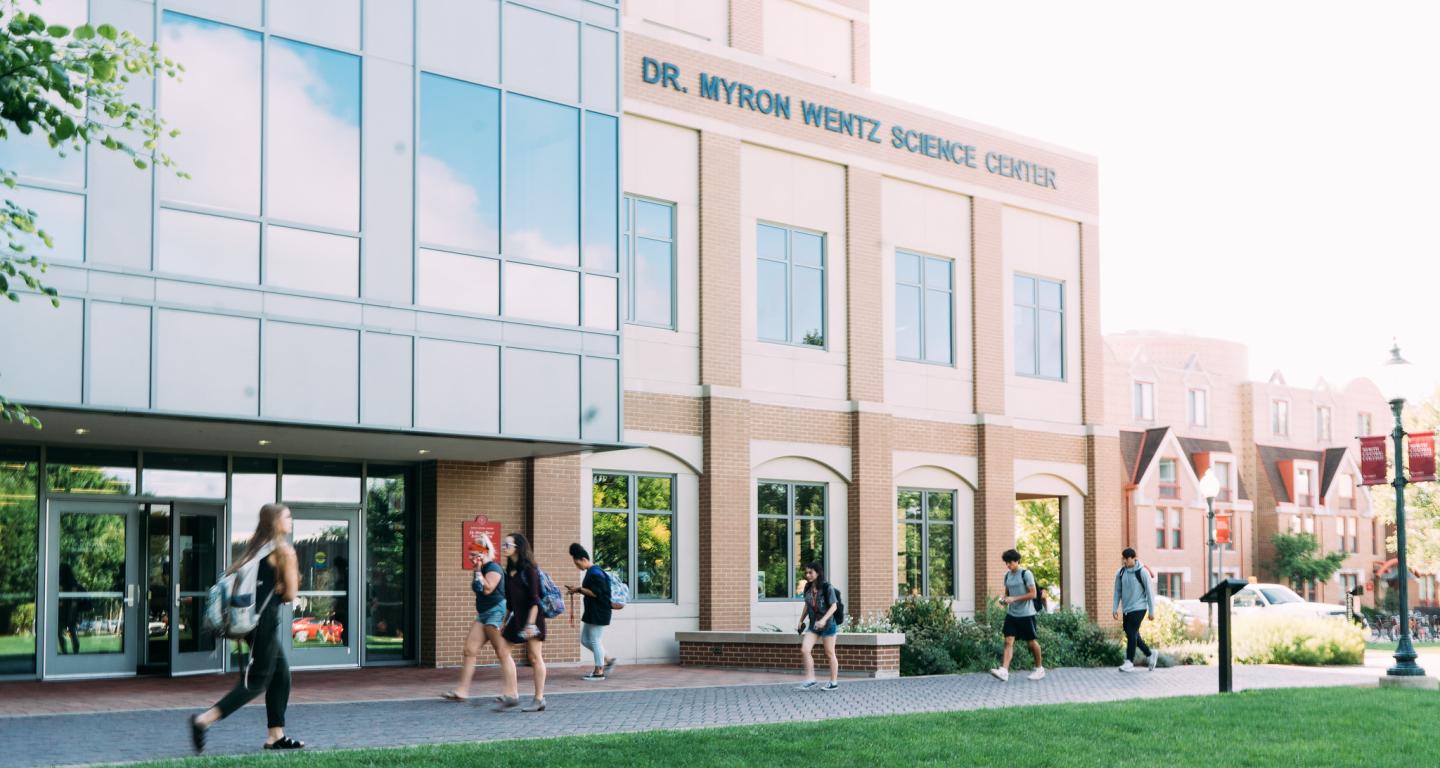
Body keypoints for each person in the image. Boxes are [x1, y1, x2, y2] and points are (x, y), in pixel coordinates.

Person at [189, 504, 304, 752]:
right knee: (257, 681)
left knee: (281, 673)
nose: (291, 520)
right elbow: (291, 594)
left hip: (251, 621)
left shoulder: (256, 550)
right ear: (275, 522)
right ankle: (203, 720)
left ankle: (276, 735)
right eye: (287, 516)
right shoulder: (283, 550)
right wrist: (286, 584)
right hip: (264, 621)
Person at [442, 534, 518, 703]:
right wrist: (477, 570)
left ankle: (512, 693)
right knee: (469, 650)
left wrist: (478, 570)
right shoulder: (481, 569)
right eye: (470, 554)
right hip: (483, 613)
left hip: (496, 611)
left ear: (484, 553)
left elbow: (488, 589)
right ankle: (462, 691)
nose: (471, 557)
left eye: (474, 554)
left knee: (502, 651)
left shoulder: (494, 568)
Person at [499, 533, 547, 712]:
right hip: (516, 617)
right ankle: (512, 694)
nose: (504, 547)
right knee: (503, 650)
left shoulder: (530, 570)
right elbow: (510, 603)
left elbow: (536, 599)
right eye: (503, 545)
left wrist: (530, 624)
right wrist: (504, 622)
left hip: (532, 617)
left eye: (507, 545)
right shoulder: (509, 572)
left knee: (534, 657)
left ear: (517, 547)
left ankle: (539, 698)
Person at [989, 549, 1045, 682]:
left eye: (1010, 562)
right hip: (1012, 614)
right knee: (1008, 641)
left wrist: (1014, 599)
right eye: (1006, 563)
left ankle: (1039, 669)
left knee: (1031, 643)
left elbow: (1033, 594)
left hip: (1026, 614)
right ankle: (1004, 671)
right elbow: (1007, 594)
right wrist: (1004, 600)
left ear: (1017, 561)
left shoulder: (1026, 574)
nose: (1008, 565)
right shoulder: (1007, 576)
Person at [565, 543, 616, 681]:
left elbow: (596, 593)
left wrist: (579, 589)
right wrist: (578, 589)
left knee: (594, 640)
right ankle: (608, 659)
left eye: (577, 563)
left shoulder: (595, 572)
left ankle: (599, 671)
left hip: (599, 612)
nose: (577, 566)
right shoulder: (593, 571)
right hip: (593, 612)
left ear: (583, 559)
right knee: (585, 640)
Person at [794, 562, 840, 692]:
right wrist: (800, 620)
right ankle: (810, 679)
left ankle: (833, 682)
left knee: (830, 653)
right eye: (806, 572)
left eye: (810, 572)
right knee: (805, 649)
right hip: (814, 625)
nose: (807, 575)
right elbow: (807, 605)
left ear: (818, 573)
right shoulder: (807, 588)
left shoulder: (827, 587)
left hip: (828, 625)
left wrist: (824, 620)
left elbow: (834, 606)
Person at [1111, 547, 1157, 672]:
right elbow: (1117, 591)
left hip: (1139, 607)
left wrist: (1152, 611)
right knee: (1133, 634)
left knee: (1131, 632)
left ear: (1133, 558)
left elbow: (1149, 592)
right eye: (1123, 559)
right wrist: (1115, 608)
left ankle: (1129, 662)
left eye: (1126, 559)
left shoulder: (1142, 572)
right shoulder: (1120, 572)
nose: (1124, 561)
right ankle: (1150, 654)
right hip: (1127, 608)